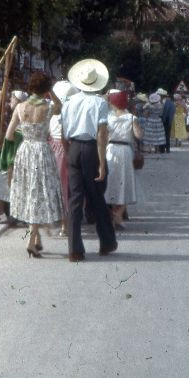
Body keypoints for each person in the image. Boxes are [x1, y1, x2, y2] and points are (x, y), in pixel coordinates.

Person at [62, 59, 117, 262]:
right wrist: (102, 163)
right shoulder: (100, 103)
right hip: (91, 149)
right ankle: (107, 242)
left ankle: (74, 249)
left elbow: (62, 132)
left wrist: (70, 153)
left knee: (75, 199)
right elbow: (102, 135)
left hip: (74, 147)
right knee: (96, 196)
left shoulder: (69, 102)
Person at [7, 73, 64, 258]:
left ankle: (36, 237)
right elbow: (60, 106)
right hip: (42, 151)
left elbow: (9, 135)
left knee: (30, 193)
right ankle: (31, 240)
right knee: (39, 194)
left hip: (25, 150)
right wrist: (51, 93)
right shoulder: (48, 107)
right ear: (46, 89)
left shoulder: (20, 107)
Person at [0, 90, 28, 225]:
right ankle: (4, 213)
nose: (10, 100)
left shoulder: (21, 114)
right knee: (4, 182)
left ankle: (11, 214)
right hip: (12, 153)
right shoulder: (16, 113)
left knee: (10, 182)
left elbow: (13, 136)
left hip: (16, 154)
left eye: (12, 98)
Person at [104, 91, 143, 229]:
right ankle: (118, 214)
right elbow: (139, 135)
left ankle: (113, 212)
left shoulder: (108, 117)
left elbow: (103, 135)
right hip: (125, 151)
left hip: (111, 150)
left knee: (111, 182)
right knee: (125, 182)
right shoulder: (131, 118)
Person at [49, 80, 79, 237]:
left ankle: (63, 223)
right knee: (69, 187)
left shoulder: (53, 115)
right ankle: (67, 222)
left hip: (56, 148)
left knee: (59, 187)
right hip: (68, 147)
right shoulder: (69, 114)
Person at [158, 88, 175, 153]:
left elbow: (162, 113)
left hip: (162, 120)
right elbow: (173, 111)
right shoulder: (171, 103)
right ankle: (167, 148)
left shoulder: (161, 102)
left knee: (161, 134)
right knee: (167, 135)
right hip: (169, 120)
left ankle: (162, 148)